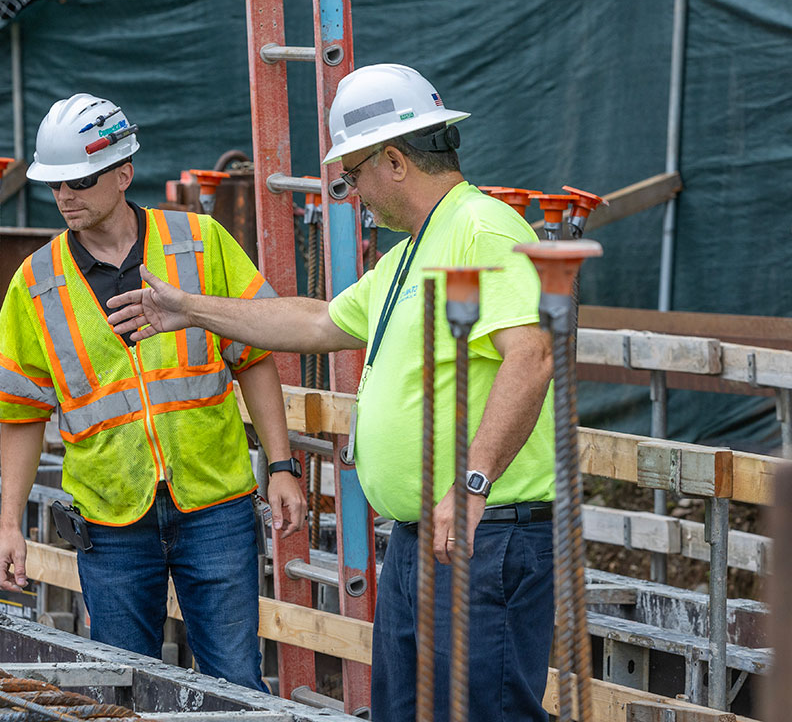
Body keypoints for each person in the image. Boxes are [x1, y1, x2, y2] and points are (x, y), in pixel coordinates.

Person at [106, 65, 556, 721]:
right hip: (421, 537)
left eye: (352, 177)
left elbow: (532, 355)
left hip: (482, 535)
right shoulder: (409, 256)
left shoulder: (484, 230)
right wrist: (192, 310)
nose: (351, 195)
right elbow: (315, 321)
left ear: (395, 160)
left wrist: (472, 484)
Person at [0, 93, 306, 691]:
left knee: (236, 684)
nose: (66, 196)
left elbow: (254, 355)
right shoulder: (37, 282)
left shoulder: (200, 243)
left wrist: (281, 465)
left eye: (82, 179)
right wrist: (10, 526)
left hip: (215, 506)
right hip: (110, 519)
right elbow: (18, 411)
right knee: (123, 689)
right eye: (56, 184)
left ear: (124, 172)